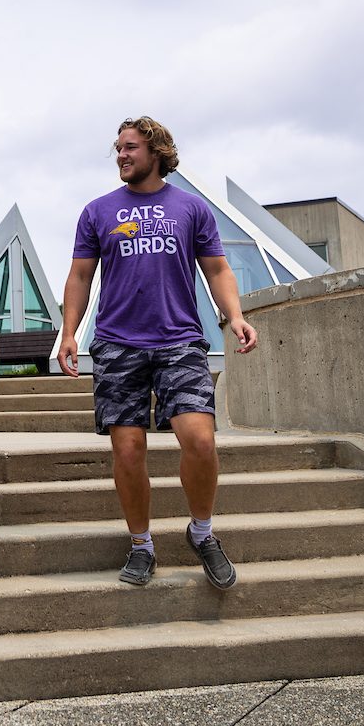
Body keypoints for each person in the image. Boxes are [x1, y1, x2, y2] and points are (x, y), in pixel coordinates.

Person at [57, 117, 257, 590]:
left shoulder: (191, 208)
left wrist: (235, 316)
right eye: (118, 149)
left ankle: (202, 533)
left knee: (201, 441)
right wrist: (68, 333)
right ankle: (142, 545)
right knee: (128, 451)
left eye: (130, 148)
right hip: (116, 345)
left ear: (157, 151)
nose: (122, 156)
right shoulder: (98, 211)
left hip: (180, 341)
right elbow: (80, 277)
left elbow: (218, 270)